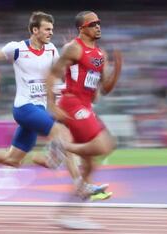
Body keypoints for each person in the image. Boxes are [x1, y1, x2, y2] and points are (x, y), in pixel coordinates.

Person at [0, 11, 108, 199]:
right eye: (47, 29)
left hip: (41, 109)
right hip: (24, 108)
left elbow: (59, 74)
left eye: (52, 29)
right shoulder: (17, 48)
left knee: (13, 159)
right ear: (35, 30)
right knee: (62, 132)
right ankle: (80, 186)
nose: (51, 33)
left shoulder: (51, 50)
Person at [45, 11, 122, 199]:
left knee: (90, 165)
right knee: (104, 146)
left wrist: (117, 69)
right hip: (71, 103)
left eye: (99, 23)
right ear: (82, 28)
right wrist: (51, 104)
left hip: (86, 105)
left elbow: (105, 89)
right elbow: (53, 75)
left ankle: (69, 213)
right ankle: (64, 147)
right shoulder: (73, 48)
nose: (98, 26)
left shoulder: (100, 54)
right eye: (93, 24)